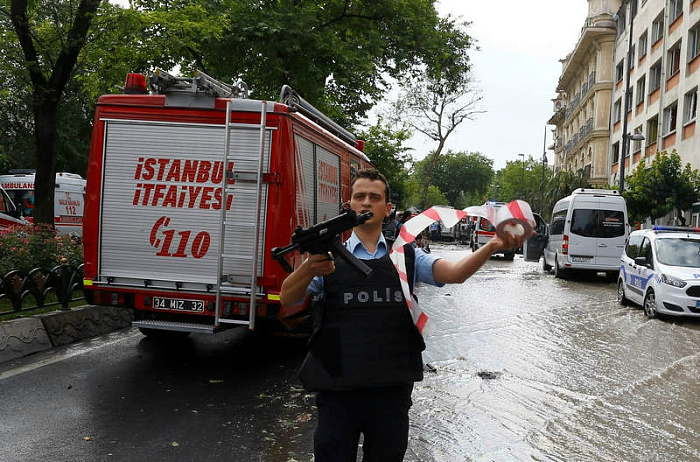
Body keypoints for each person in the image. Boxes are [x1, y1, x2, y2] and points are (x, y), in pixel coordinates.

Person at [279, 168, 530, 462]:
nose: (366, 203)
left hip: (391, 393)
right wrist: (310, 266)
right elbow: (287, 297)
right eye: (359, 197)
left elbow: (455, 273)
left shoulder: (407, 256)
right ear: (348, 207)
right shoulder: (327, 260)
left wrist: (492, 246)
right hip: (337, 392)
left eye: (375, 197)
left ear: (387, 209)